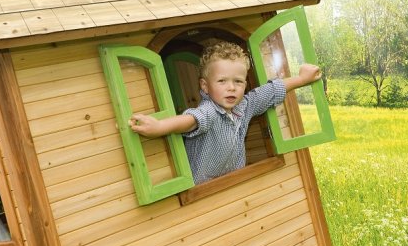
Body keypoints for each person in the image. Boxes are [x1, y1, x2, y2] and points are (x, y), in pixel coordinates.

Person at [129, 41, 321, 184]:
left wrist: (302, 79)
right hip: (201, 188)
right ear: (205, 86)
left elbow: (270, 91)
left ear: (245, 83)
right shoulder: (209, 111)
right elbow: (190, 120)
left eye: (238, 81)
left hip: (234, 181)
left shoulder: (245, 106)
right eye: (222, 81)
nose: (231, 88)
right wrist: (159, 126)